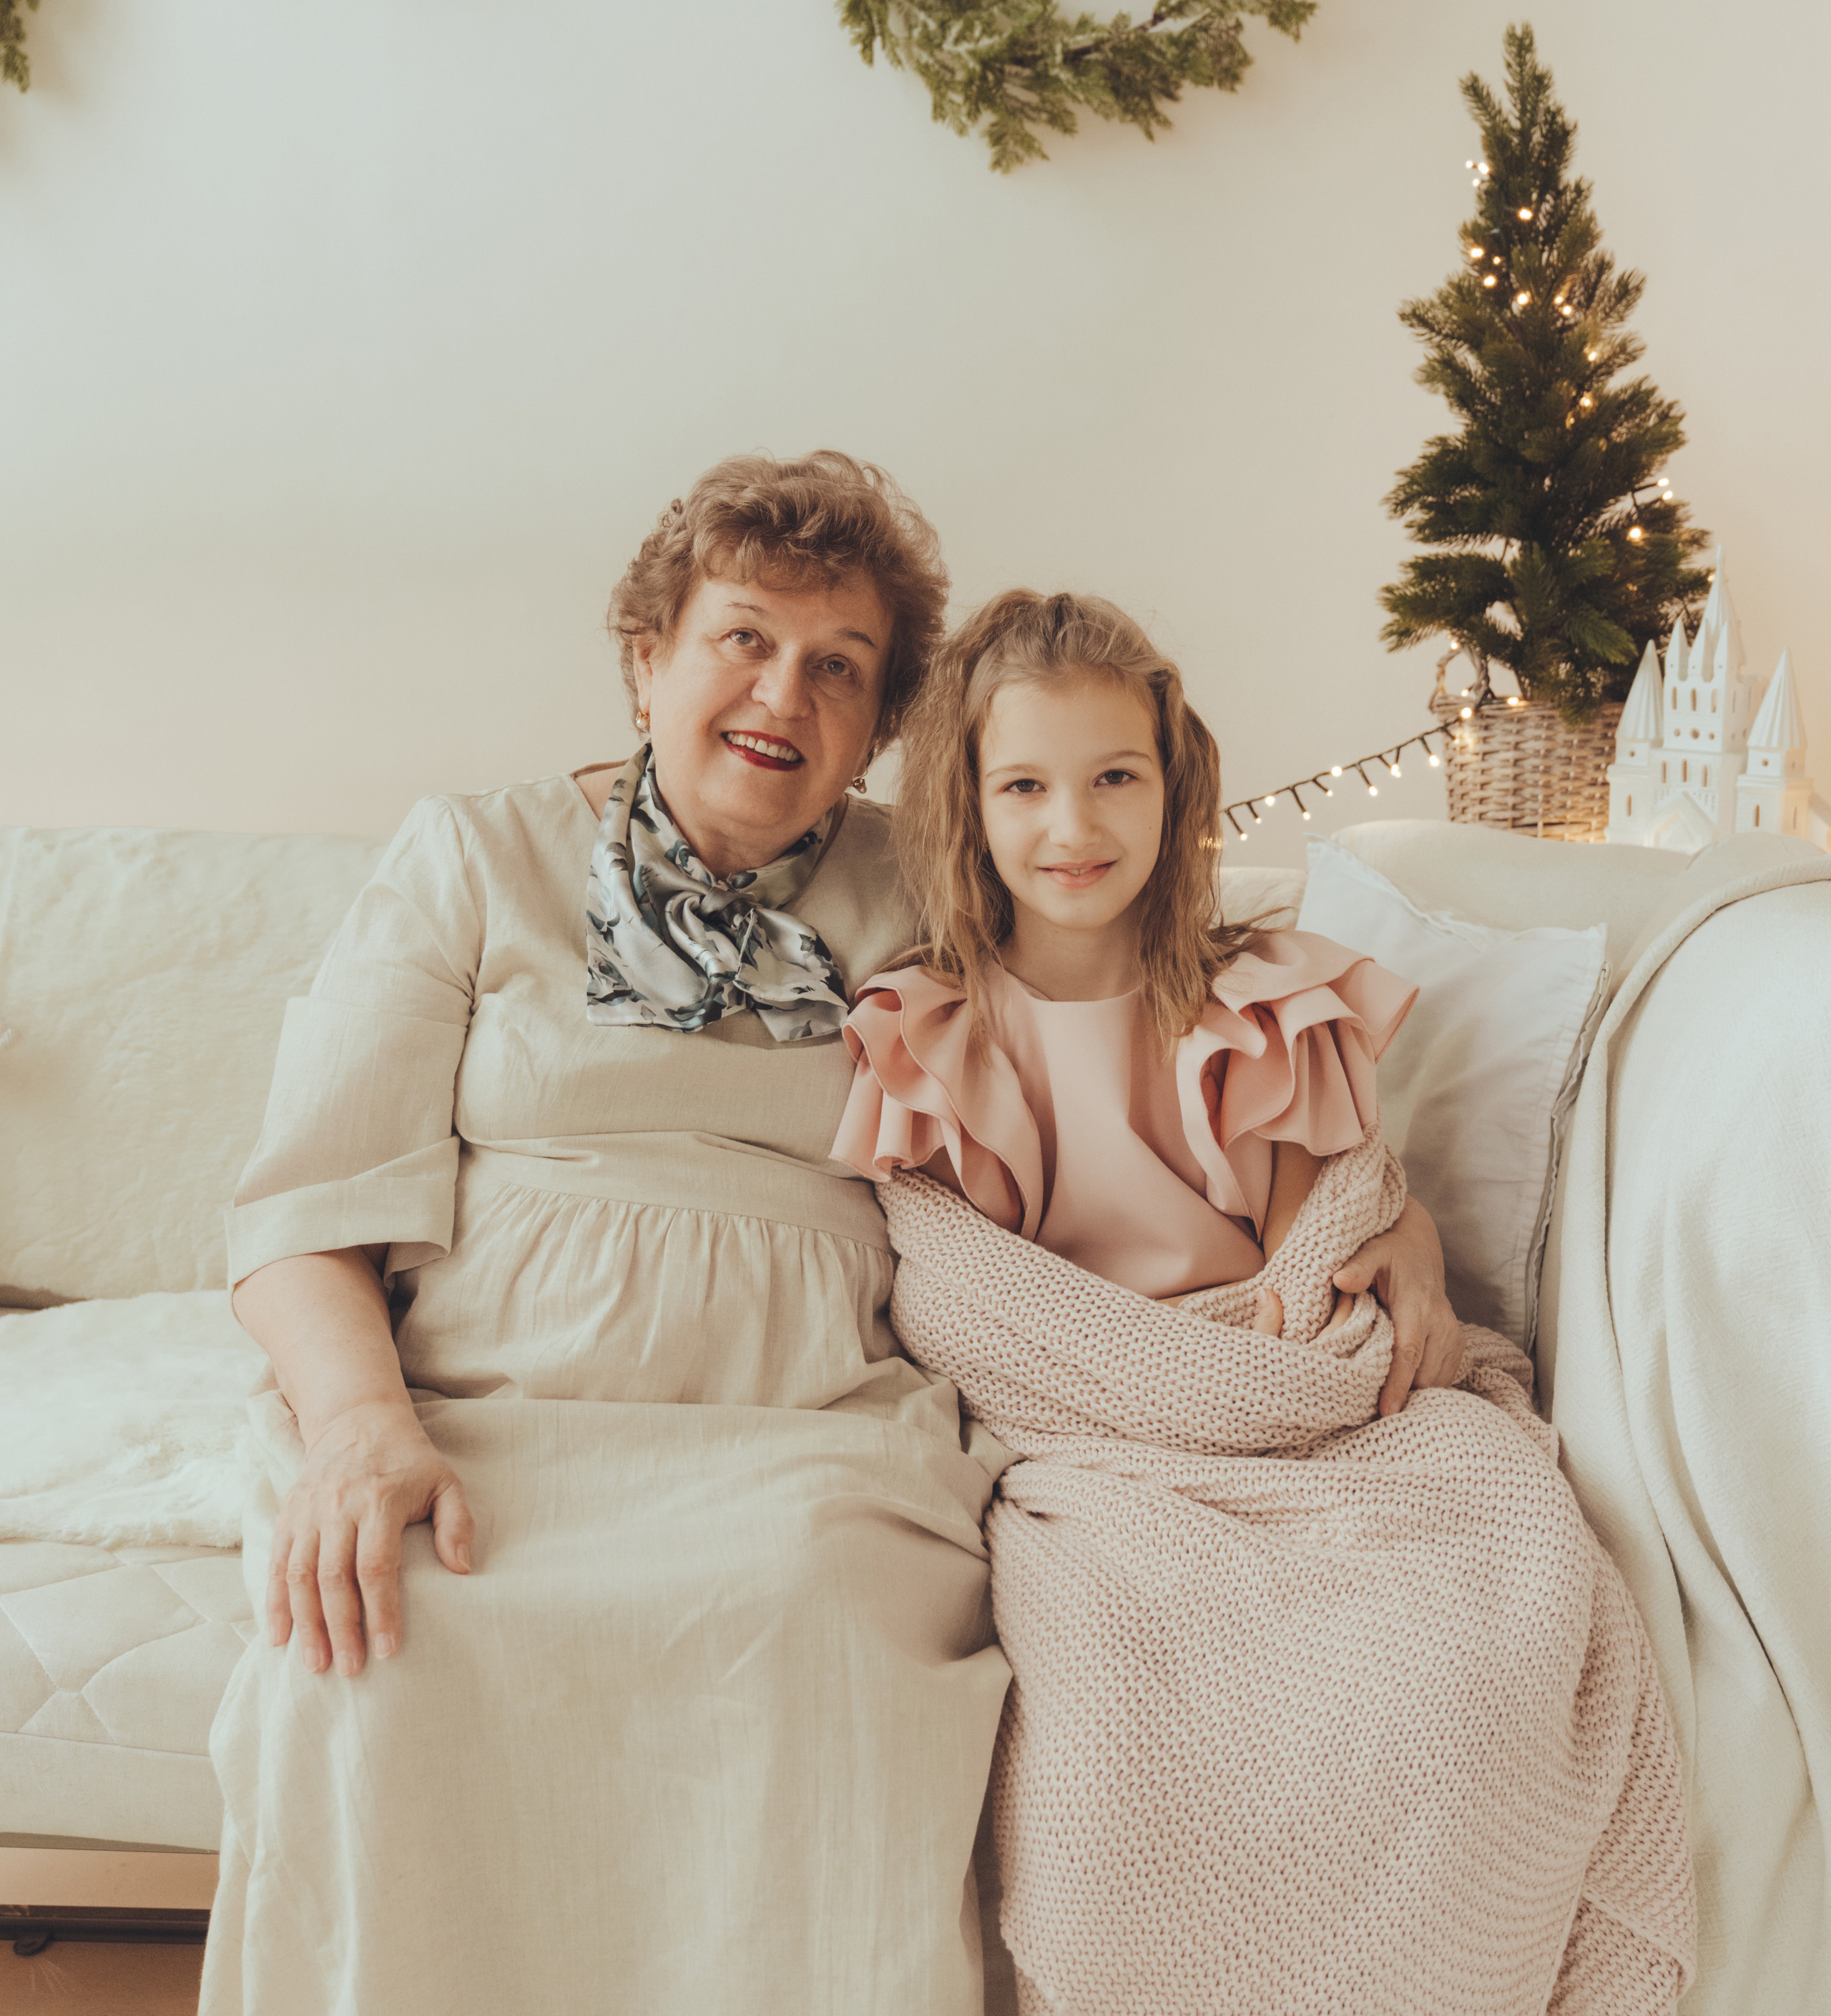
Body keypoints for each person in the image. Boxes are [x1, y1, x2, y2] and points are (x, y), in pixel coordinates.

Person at [202, 461, 1461, 2016]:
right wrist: (357, 1429)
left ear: (877, 729)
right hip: (481, 1414)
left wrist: (1377, 1205)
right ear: (644, 656)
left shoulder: (932, 875)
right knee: (388, 1664)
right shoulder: (471, 860)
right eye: (740, 640)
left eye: (837, 668)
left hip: (807, 1433)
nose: (780, 694)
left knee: (812, 1635)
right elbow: (306, 1200)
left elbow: (1157, 991)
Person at [833, 589, 1696, 2016]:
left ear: (1172, 792)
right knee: (1107, 1741)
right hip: (1092, 1448)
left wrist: (1370, 1272)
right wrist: (1177, 1380)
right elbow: (960, 1295)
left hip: (1313, 1409)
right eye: (1026, 787)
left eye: (1116, 778)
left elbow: (1328, 1242)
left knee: (1503, 1586)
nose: (1073, 827)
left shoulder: (1257, 1005)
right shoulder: (929, 1034)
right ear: (965, 808)